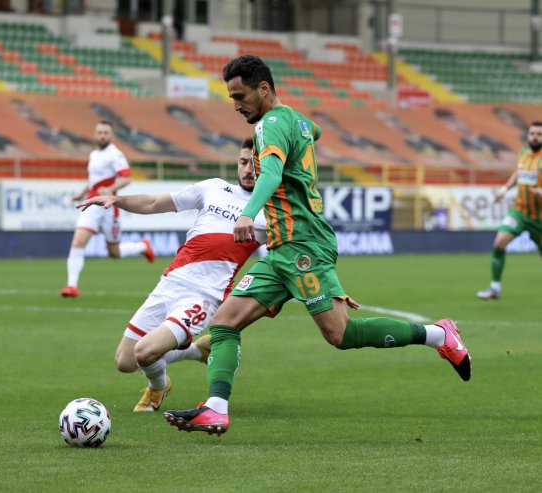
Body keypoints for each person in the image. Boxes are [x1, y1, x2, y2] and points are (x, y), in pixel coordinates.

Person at [163, 55, 472, 436]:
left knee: (340, 335)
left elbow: (273, 172)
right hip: (281, 250)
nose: (235, 104)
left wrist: (247, 214)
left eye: (240, 95)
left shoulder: (268, 126)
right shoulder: (294, 119)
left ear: (264, 89)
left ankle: (439, 334)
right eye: (231, 97)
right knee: (225, 323)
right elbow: (316, 130)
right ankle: (215, 408)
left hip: (302, 243)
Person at [77, 138, 266, 412]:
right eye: (243, 162)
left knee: (145, 352)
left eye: (255, 163)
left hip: (203, 297)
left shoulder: (267, 212)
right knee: (125, 361)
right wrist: (117, 199)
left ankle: (158, 387)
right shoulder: (213, 187)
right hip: (169, 283)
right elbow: (154, 202)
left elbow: (283, 257)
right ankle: (196, 351)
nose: (248, 169)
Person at [61, 120, 155, 298]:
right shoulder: (94, 154)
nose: (102, 136)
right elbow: (93, 180)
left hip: (108, 207)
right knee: (78, 241)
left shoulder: (115, 155)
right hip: (91, 204)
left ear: (111, 136)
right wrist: (81, 193)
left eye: (106, 133)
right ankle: (71, 286)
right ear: (95, 134)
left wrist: (110, 190)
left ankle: (142, 247)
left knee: (114, 252)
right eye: (99, 132)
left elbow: (126, 178)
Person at [477, 122, 542, 300]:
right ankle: (495, 288)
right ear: (528, 135)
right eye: (532, 133)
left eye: (539, 134)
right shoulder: (523, 154)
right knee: (499, 243)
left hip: (540, 218)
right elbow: (518, 173)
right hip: (519, 211)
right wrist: (504, 190)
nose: (535, 137)